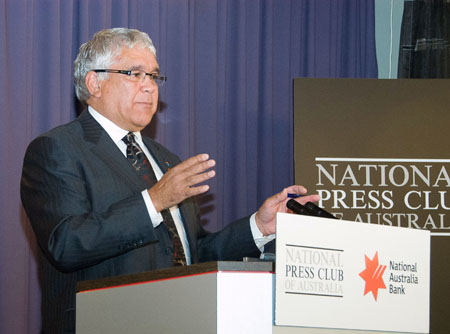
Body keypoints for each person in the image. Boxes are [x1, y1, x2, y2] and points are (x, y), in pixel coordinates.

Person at [20, 28, 319, 334]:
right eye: (135, 74)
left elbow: (193, 254)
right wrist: (154, 201)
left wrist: (259, 226)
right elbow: (67, 243)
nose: (149, 87)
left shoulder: (165, 159)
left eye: (153, 76)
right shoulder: (58, 149)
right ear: (94, 82)